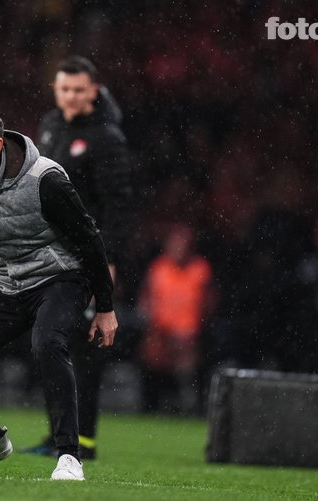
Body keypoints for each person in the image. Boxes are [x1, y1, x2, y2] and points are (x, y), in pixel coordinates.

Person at [0, 102, 117, 481]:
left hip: (61, 278)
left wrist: (105, 307)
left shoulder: (44, 180)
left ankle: (69, 456)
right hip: (7, 285)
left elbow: (89, 240)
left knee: (47, 343)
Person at [23, 55, 132, 460]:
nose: (70, 96)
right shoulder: (51, 127)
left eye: (78, 90)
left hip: (87, 256)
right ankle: (59, 435)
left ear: (93, 91)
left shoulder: (106, 138)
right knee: (50, 340)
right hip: (50, 253)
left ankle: (82, 440)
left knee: (84, 348)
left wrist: (109, 260)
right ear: (56, 89)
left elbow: (119, 207)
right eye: (64, 88)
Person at [137, 224, 213, 414]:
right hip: (160, 332)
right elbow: (146, 302)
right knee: (152, 348)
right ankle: (151, 404)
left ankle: (190, 406)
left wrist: (191, 329)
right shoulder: (159, 268)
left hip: (190, 334)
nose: (179, 249)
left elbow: (208, 305)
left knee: (188, 349)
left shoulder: (200, 269)